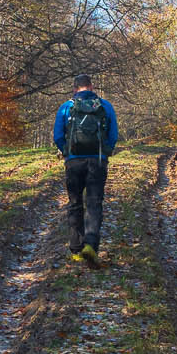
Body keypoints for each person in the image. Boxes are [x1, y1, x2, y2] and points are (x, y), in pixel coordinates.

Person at [52, 73, 119, 266]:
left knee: (74, 203)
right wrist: (105, 151)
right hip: (97, 161)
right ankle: (91, 245)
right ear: (91, 87)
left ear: (75, 89)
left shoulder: (66, 107)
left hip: (73, 162)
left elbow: (58, 135)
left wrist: (67, 151)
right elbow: (113, 135)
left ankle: (75, 250)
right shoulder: (105, 106)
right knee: (94, 202)